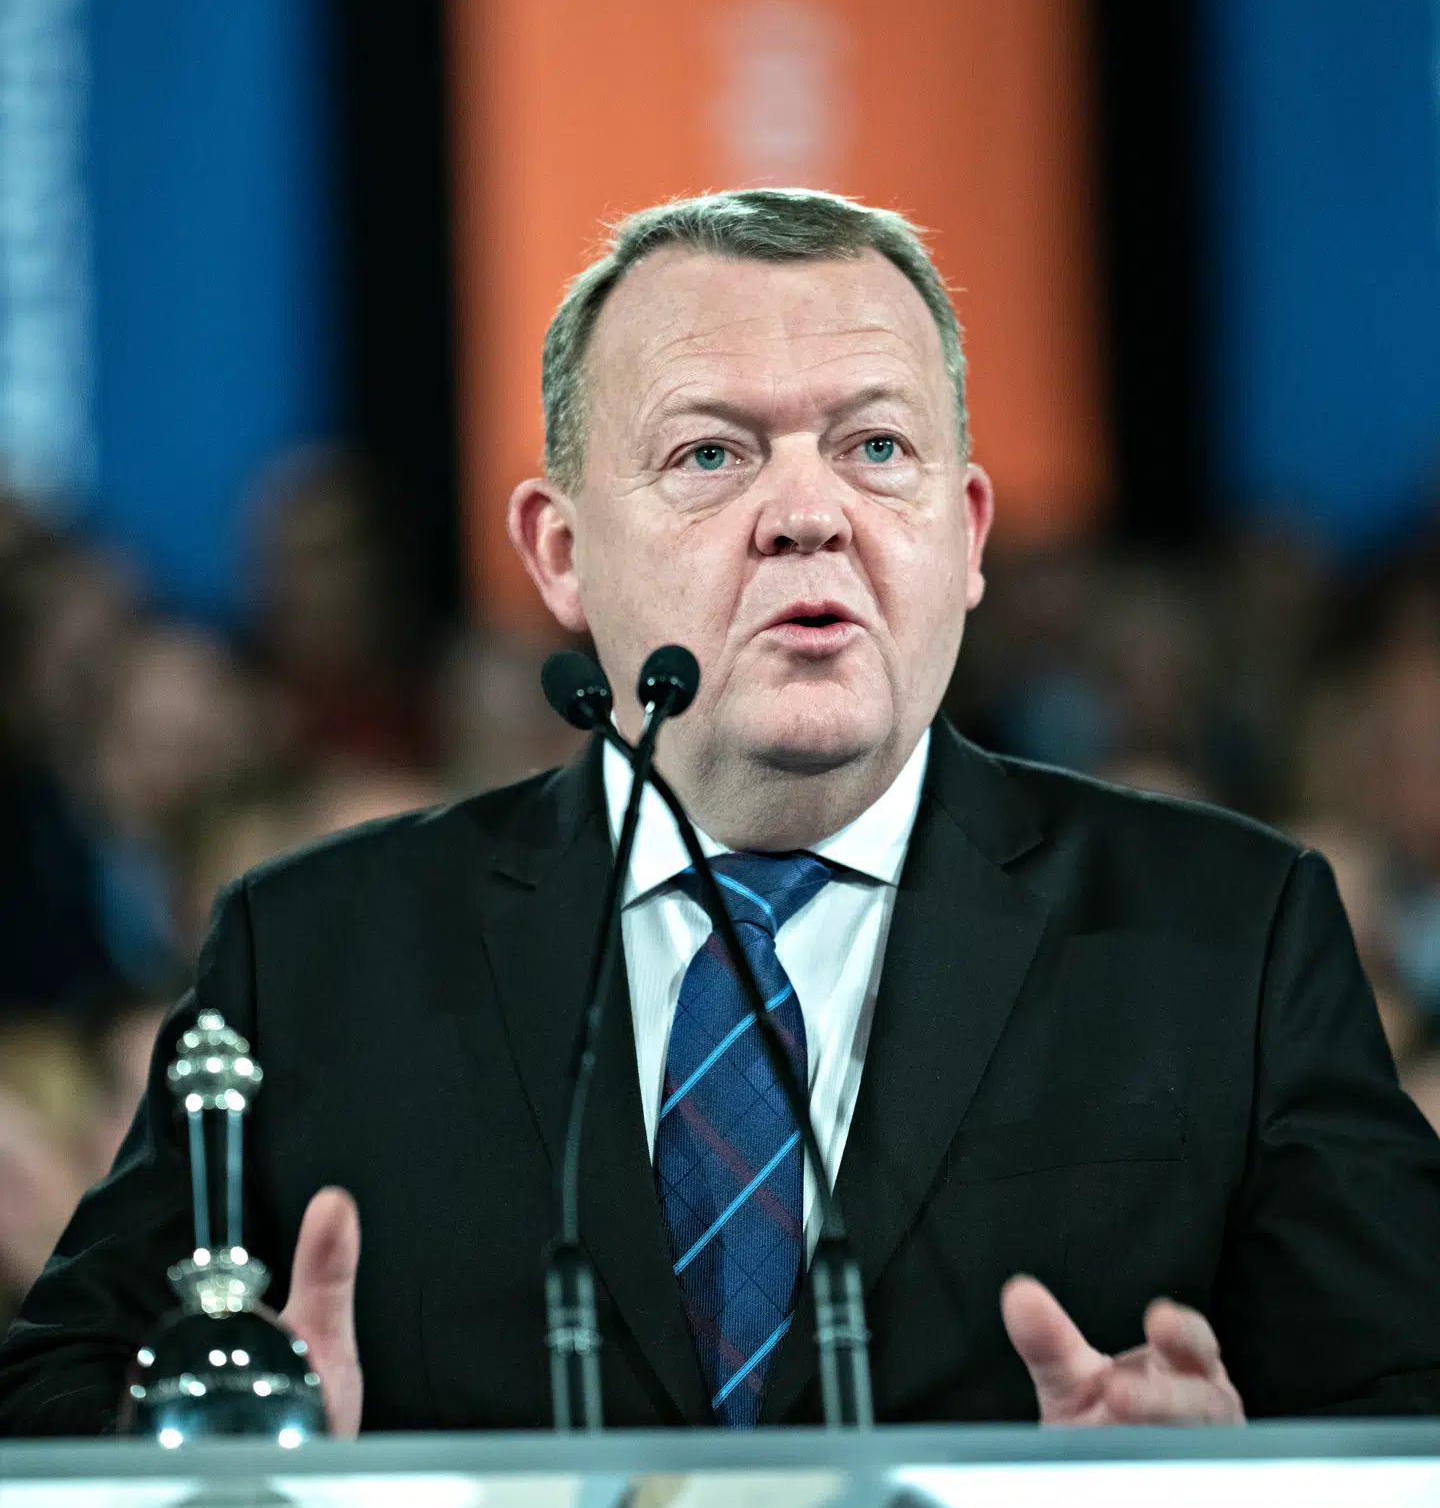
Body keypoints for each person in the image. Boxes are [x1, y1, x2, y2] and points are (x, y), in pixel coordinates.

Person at [2, 187, 1439, 1438]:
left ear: (968, 535)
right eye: (712, 454)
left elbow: (1405, 1409)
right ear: (559, 555)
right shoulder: (314, 955)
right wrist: (220, 1435)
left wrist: (1248, 1486)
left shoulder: (1229, 933)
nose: (807, 513)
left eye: (877, 449)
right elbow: (54, 1407)